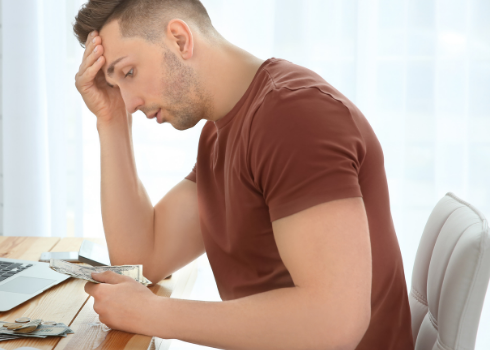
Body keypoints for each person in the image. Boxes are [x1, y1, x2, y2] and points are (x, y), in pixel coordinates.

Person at [73, 0, 413, 349]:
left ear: (179, 39)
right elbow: (145, 258)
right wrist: (111, 119)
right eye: (115, 86)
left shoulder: (294, 118)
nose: (129, 101)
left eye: (128, 73)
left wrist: (152, 313)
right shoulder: (221, 132)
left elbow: (335, 321)